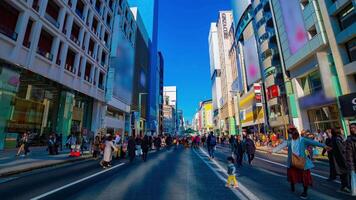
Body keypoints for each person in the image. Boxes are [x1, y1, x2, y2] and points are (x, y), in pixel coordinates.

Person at [270, 127, 330, 199]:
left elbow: (314, 142)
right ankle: (292, 184)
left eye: (289, 133)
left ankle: (305, 192)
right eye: (288, 133)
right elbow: (280, 146)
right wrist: (273, 151)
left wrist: (324, 146)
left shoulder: (302, 140)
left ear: (293, 133)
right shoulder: (289, 141)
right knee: (292, 176)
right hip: (292, 162)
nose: (289, 135)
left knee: (305, 178)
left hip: (302, 162)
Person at [331, 128, 351, 193]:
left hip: (339, 159)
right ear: (338, 131)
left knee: (343, 173)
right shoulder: (337, 139)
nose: (342, 131)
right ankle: (346, 186)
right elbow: (342, 150)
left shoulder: (335, 138)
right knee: (345, 173)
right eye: (341, 130)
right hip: (342, 159)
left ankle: (344, 186)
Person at [345, 123, 356, 196]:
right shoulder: (349, 139)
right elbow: (349, 154)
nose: (352, 129)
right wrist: (351, 165)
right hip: (353, 163)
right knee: (353, 178)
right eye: (351, 128)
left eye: (354, 127)